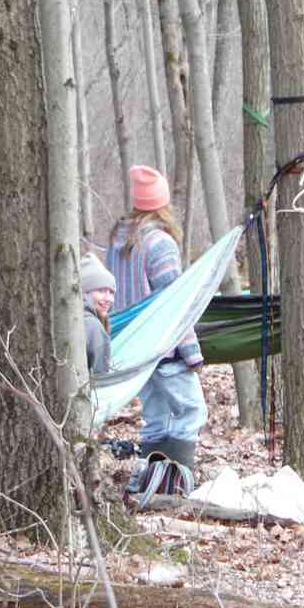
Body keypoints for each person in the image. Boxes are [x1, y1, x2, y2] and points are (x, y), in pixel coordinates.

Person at [105, 165, 207, 469]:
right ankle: (173, 478)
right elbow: (174, 305)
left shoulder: (118, 241)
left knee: (156, 417)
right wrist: (191, 353)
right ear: (163, 204)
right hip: (163, 348)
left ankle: (149, 476)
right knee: (192, 412)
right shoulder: (159, 243)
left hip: (133, 348)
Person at [80, 253, 115, 375]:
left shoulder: (76, 319)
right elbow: (100, 378)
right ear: (85, 292)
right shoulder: (93, 327)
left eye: (111, 292)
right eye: (101, 291)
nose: (108, 299)